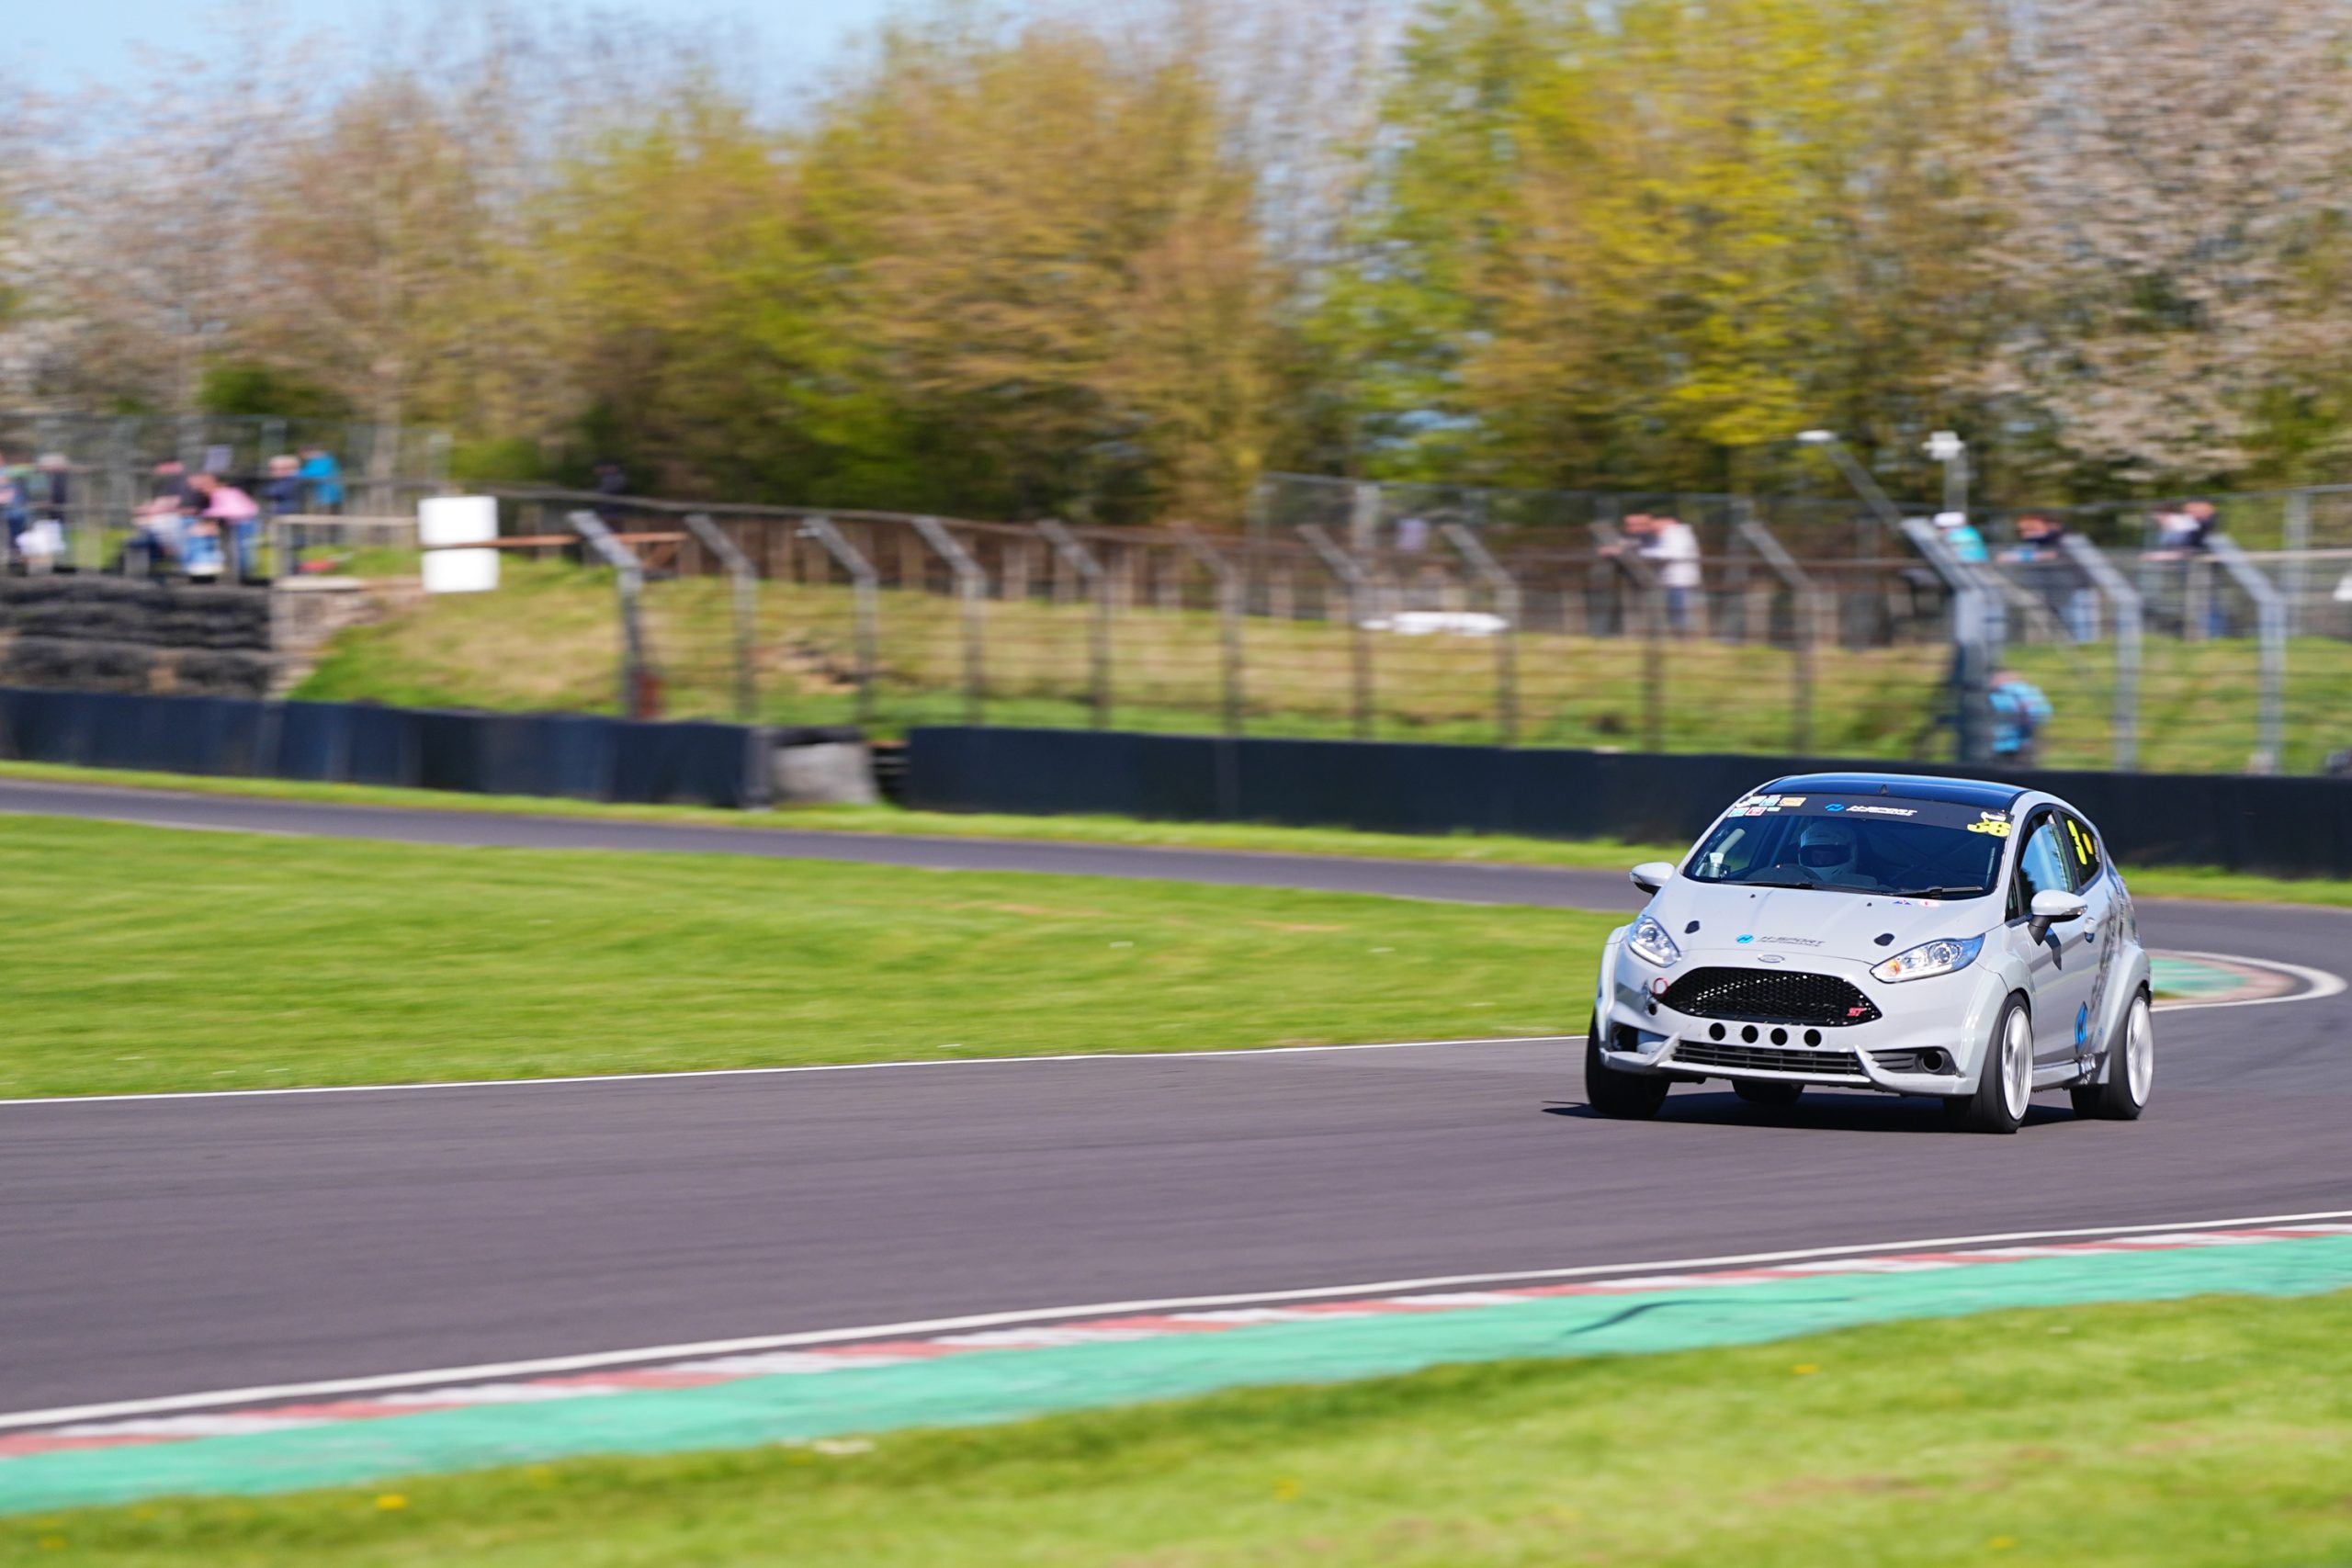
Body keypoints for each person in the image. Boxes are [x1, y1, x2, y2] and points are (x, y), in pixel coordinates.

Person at [190, 472, 263, 581]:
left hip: (243, 522)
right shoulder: (233, 491)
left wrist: (204, 514)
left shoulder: (220, 493)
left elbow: (226, 510)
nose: (202, 490)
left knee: (243, 550)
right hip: (245, 521)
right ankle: (246, 574)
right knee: (244, 549)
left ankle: (246, 574)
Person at [1988, 667, 2053, 767]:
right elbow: (2043, 714)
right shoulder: (2029, 691)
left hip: (2010, 745)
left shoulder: (2014, 691)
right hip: (2018, 744)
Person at [298, 446, 345, 513]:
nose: (305, 458)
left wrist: (296, 473)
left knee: (326, 515)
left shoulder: (323, 460)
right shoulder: (320, 460)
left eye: (304, 455)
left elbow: (316, 473)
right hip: (325, 496)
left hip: (328, 496)